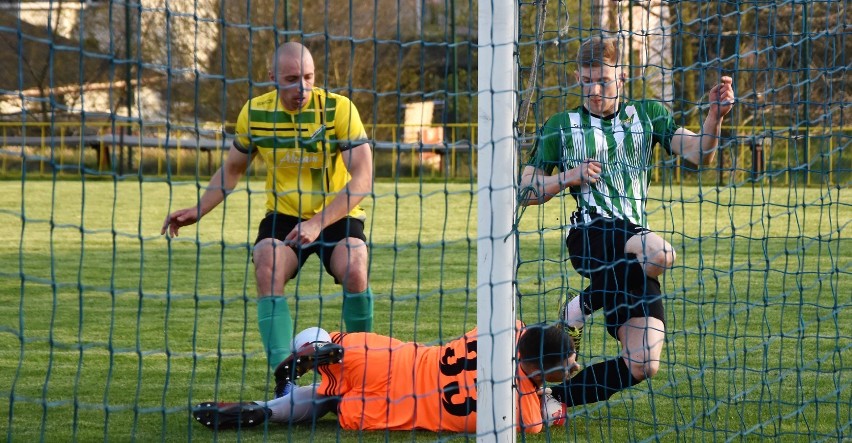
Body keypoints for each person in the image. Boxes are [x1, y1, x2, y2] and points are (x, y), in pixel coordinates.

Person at [518, 36, 734, 407]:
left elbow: (698, 153)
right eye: (586, 81)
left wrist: (713, 117)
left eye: (602, 80)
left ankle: (556, 397)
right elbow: (525, 190)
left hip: (629, 245)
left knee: (643, 363)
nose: (594, 89)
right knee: (661, 254)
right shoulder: (561, 125)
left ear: (622, 77)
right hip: (590, 233)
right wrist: (566, 177)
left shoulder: (647, 115)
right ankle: (583, 306)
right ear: (576, 78)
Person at [161, 41, 375, 397]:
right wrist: (198, 210)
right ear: (272, 78)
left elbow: (363, 179)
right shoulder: (255, 113)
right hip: (284, 216)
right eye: (292, 79)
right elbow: (231, 169)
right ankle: (285, 381)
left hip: (337, 212)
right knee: (266, 260)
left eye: (308, 77)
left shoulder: (338, 109)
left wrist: (318, 222)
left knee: (355, 264)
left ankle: (361, 374)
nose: (302, 88)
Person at [192, 322, 579, 434]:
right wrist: (548, 393)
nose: (574, 364)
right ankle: (268, 410)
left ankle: (310, 354)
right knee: (329, 402)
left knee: (319, 336)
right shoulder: (524, 413)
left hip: (393, 360)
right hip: (396, 409)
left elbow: (527, 333)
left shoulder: (502, 329)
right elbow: (549, 411)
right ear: (545, 370)